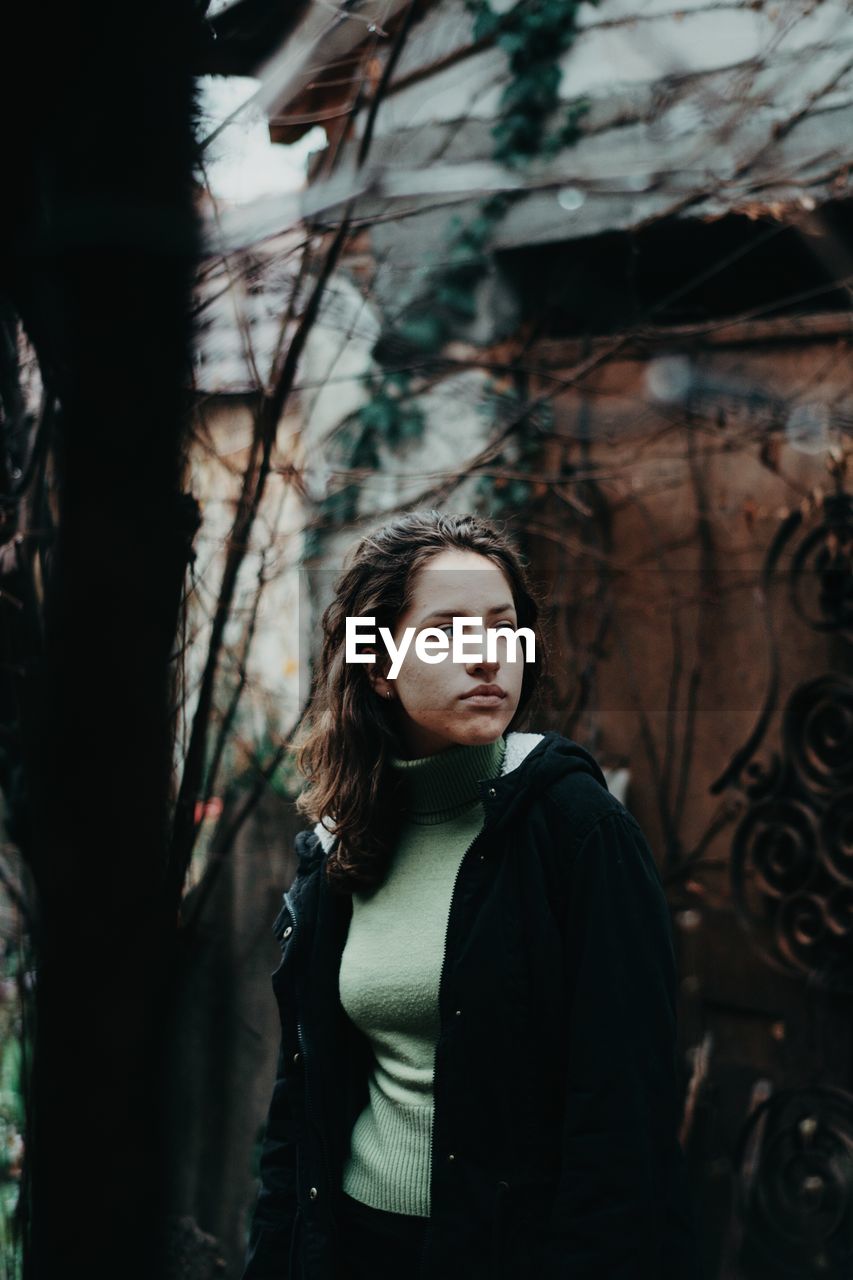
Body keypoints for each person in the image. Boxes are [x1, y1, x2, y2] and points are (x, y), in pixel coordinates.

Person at [240, 509, 700, 1280]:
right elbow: (301, 1106)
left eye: (504, 628)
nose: (488, 656)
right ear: (378, 666)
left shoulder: (576, 830)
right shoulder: (337, 844)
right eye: (448, 632)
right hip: (353, 1248)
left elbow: (624, 1124)